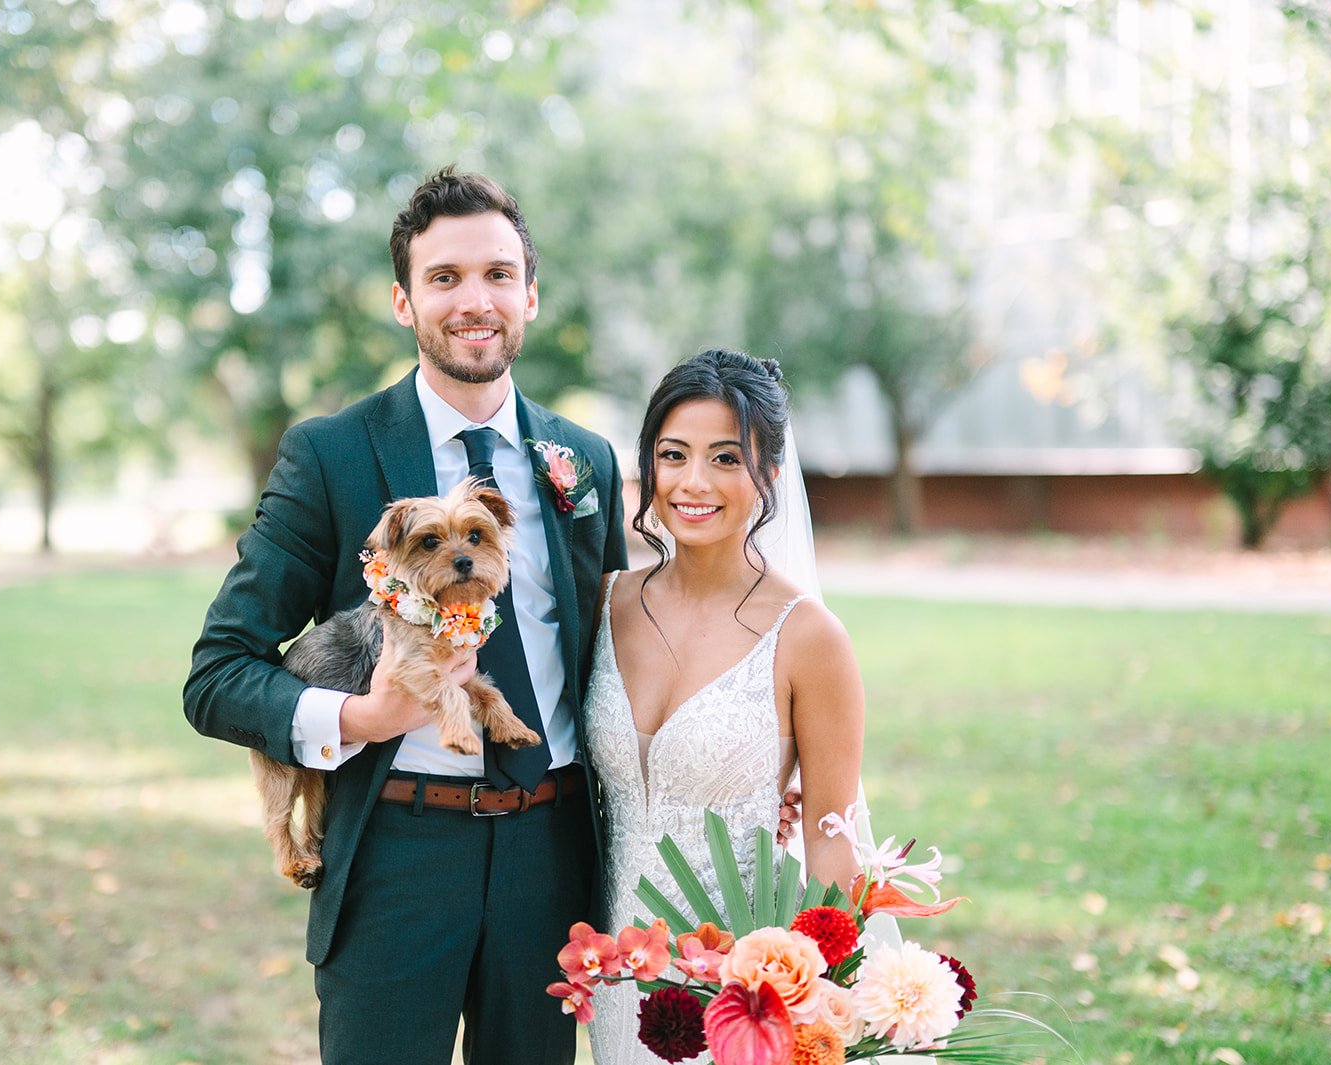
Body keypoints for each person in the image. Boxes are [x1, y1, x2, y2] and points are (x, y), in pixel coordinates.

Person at [183, 166, 628, 1065]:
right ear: (403, 300)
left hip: (552, 854)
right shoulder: (329, 454)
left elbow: (623, 648)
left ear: (531, 295)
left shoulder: (584, 461)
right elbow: (218, 675)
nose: (475, 300)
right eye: (445, 277)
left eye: (499, 274)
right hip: (394, 849)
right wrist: (361, 716)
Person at [582, 349, 867, 1063]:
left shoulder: (808, 636)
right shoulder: (606, 602)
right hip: (615, 966)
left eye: (725, 459)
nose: (693, 482)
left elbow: (834, 834)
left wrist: (812, 995)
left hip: (744, 986)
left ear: (770, 472)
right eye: (672, 455)